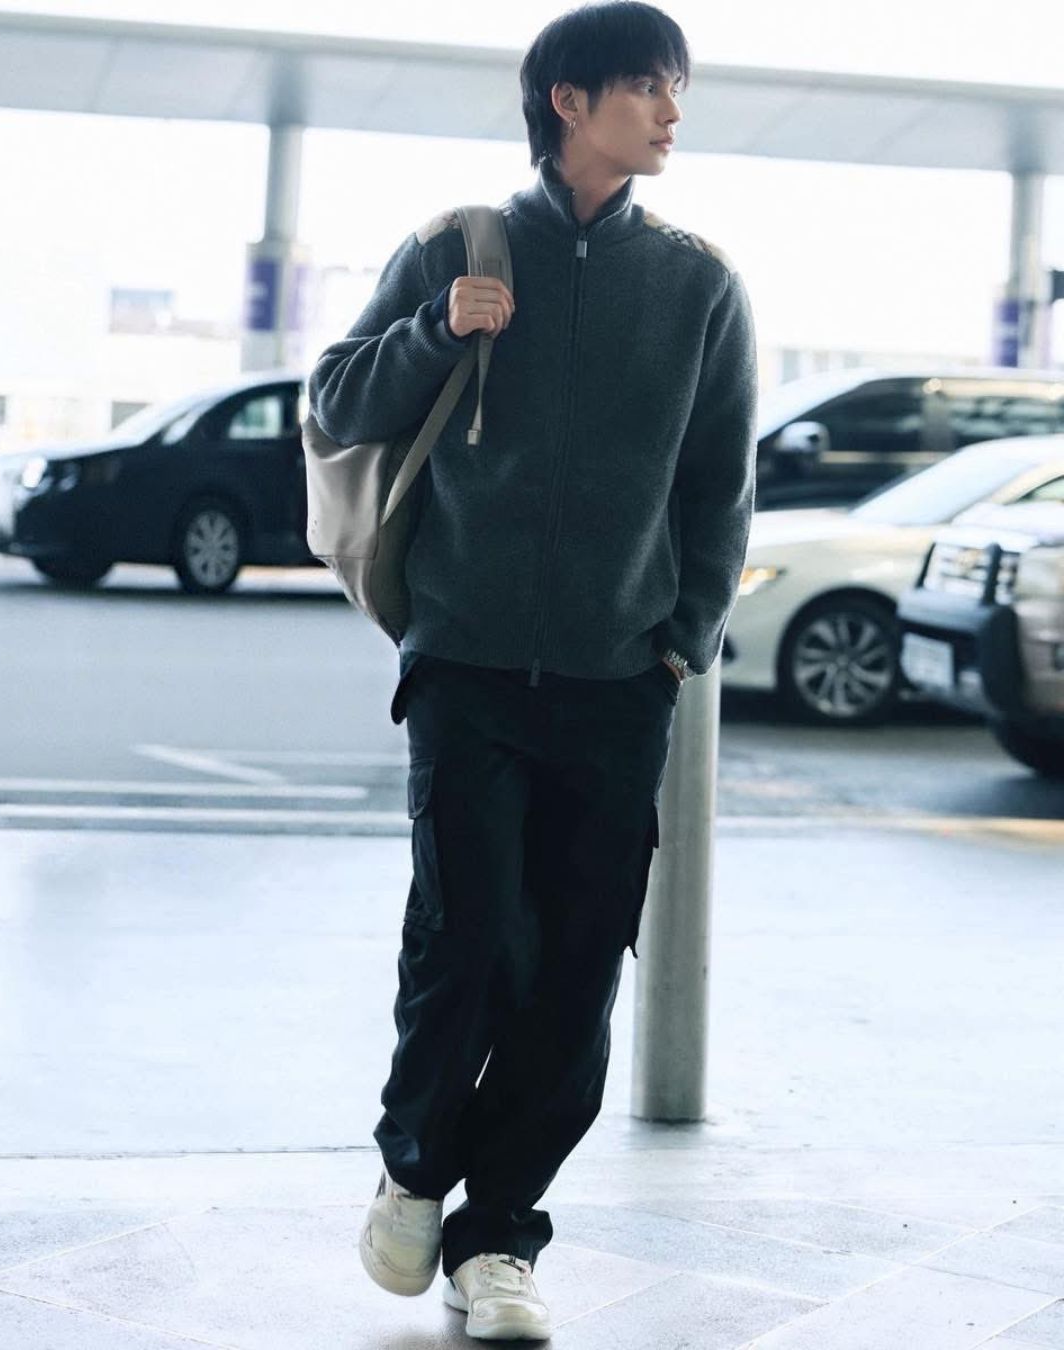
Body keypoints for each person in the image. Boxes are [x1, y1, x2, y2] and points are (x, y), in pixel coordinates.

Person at [308, 2, 758, 1339]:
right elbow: (335, 400)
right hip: (468, 661)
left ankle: (498, 1234)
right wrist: (437, 331)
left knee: (575, 971)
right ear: (569, 100)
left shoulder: (698, 285)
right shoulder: (457, 246)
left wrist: (680, 639)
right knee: (465, 938)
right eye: (648, 86)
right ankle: (414, 1167)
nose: (671, 112)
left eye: (676, 90)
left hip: (622, 681)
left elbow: (719, 487)